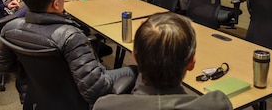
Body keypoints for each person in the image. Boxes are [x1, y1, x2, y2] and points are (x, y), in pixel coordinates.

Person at [0, 0, 137, 108]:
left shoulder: (10, 28)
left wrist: (33, 71)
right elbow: (96, 90)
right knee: (134, 70)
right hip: (76, 101)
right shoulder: (70, 36)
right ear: (56, 4)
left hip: (36, 94)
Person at [93, 12, 233, 110]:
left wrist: (148, 35)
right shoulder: (218, 105)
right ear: (191, 63)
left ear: (134, 56)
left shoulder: (105, 106)